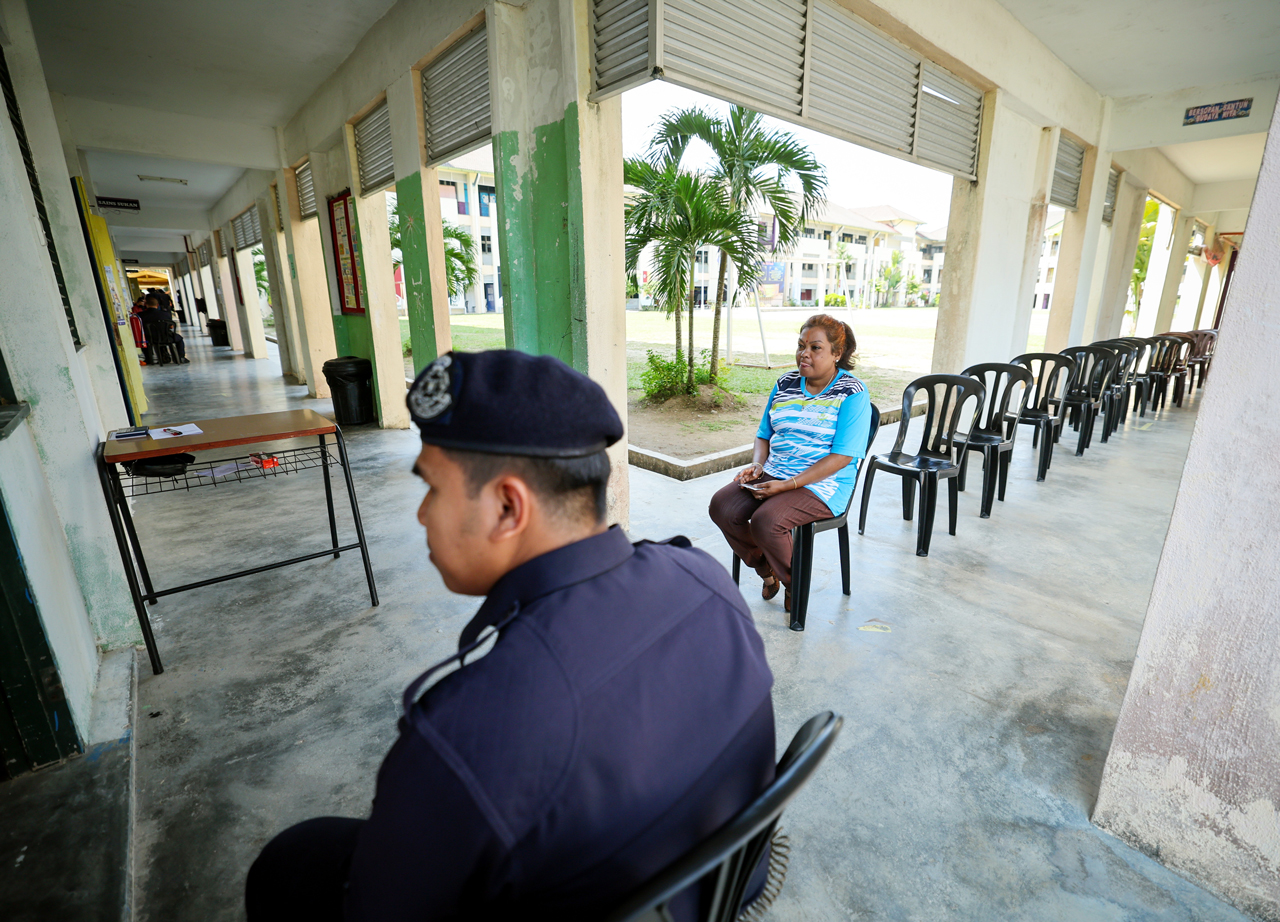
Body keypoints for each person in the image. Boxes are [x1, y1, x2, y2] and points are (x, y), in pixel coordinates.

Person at [246, 350, 776, 922]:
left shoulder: (468, 728)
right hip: (714, 887)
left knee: (289, 861)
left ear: (506, 506)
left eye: (432, 489)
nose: (423, 515)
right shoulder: (703, 577)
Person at [709, 313, 872, 613]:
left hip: (824, 484)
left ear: (837, 354)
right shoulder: (784, 383)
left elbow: (842, 457)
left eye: (815, 348)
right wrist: (758, 466)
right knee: (722, 506)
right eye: (801, 346)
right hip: (775, 471)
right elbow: (763, 435)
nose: (804, 354)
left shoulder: (852, 393)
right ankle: (767, 571)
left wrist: (788, 485)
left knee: (766, 521)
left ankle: (794, 584)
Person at [140, 294, 189, 363]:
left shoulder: (140, 315)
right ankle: (181, 357)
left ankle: (148, 359)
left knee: (143, 341)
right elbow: (171, 326)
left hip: (149, 338)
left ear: (145, 305)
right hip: (166, 337)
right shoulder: (165, 314)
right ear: (157, 305)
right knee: (179, 339)